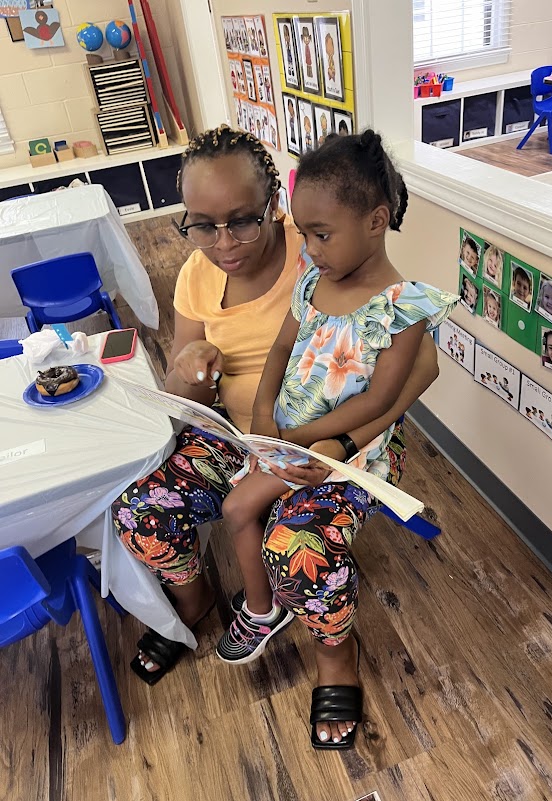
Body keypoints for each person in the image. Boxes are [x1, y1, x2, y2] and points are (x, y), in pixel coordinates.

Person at [111, 125, 441, 746]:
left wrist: (333, 446)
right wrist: (187, 373)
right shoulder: (197, 276)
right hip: (242, 435)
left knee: (298, 545)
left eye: (242, 221)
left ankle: (334, 656)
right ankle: (196, 602)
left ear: (276, 206)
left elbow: (417, 368)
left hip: (328, 446)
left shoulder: (322, 247)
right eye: (202, 225)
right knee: (142, 511)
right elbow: (192, 393)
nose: (224, 243)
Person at [218, 131, 457, 748]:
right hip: (291, 437)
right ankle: (264, 613)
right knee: (237, 506)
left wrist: (311, 440)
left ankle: (335, 656)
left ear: (376, 222)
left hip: (352, 454)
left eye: (323, 234)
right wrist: (265, 411)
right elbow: (279, 349)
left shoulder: (402, 308)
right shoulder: (311, 280)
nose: (311, 247)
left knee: (295, 547)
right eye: (305, 232)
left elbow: (378, 403)